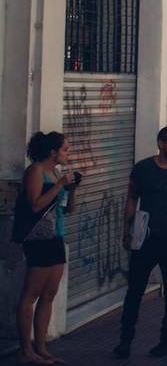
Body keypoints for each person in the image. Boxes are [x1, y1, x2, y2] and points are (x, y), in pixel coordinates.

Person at [113, 127, 167, 360]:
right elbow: (132, 198)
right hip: (145, 240)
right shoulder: (143, 169)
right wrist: (126, 231)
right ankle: (125, 341)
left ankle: (165, 343)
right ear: (161, 143)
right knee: (134, 291)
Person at [13, 131, 78, 365]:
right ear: (53, 152)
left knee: (49, 294)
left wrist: (72, 190)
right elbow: (35, 205)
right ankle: (26, 349)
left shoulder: (55, 172)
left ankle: (41, 346)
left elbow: (68, 210)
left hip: (56, 236)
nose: (68, 153)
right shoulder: (36, 171)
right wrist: (59, 184)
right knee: (31, 294)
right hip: (38, 239)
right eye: (65, 149)